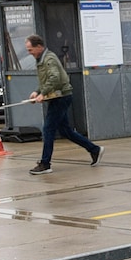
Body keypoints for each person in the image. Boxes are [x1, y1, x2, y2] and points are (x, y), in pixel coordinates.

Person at [25, 34, 103, 175]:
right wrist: (37, 92)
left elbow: (55, 78)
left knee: (48, 129)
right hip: (57, 97)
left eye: (30, 50)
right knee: (66, 131)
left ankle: (45, 163)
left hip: (61, 97)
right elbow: (46, 79)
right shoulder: (42, 59)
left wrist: (43, 93)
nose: (29, 53)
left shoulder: (49, 59)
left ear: (39, 47)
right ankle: (94, 149)